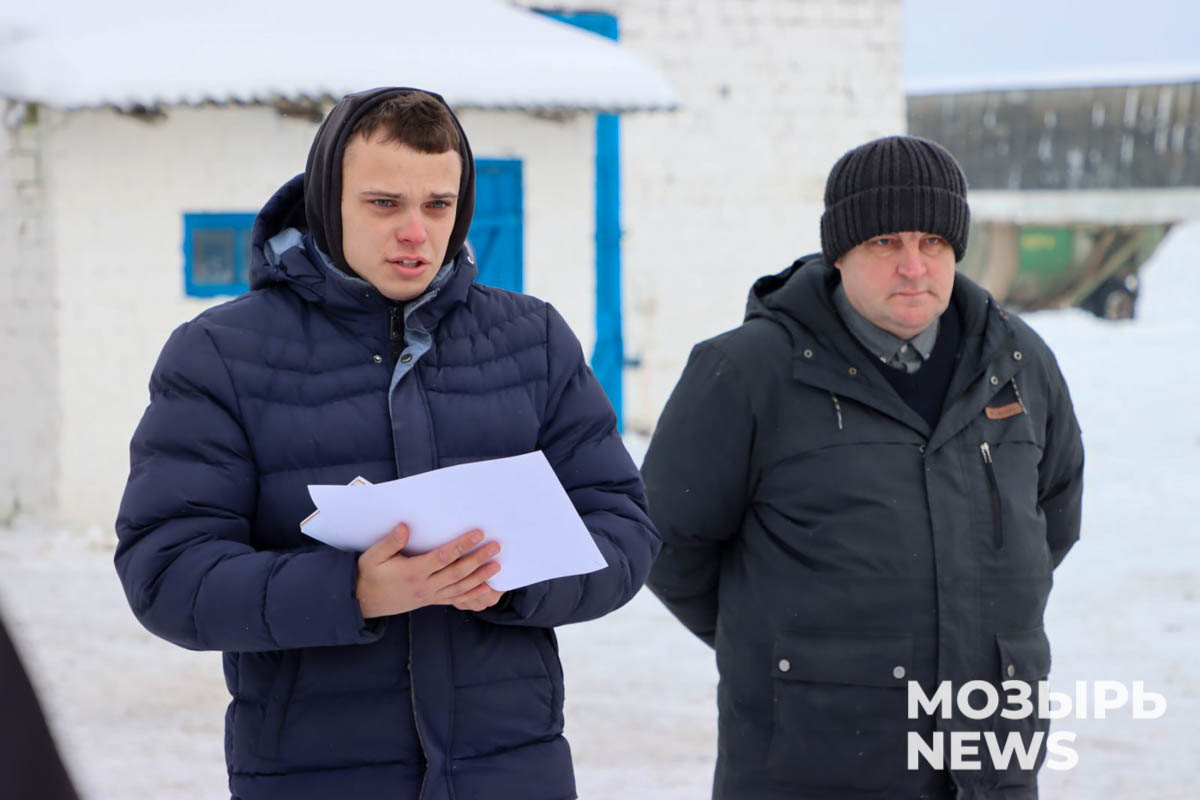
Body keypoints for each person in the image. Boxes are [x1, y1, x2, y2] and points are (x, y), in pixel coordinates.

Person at [114, 87, 659, 800]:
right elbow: (166, 571)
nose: (415, 232)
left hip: (511, 772)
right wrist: (353, 592)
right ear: (328, 204)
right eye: (384, 204)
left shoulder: (533, 341)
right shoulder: (219, 355)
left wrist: (515, 578)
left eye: (437, 205)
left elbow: (623, 530)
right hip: (315, 779)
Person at [642, 135, 1084, 799]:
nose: (913, 266)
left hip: (989, 769)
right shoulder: (748, 372)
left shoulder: (1018, 362)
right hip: (811, 768)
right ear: (840, 251)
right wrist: (791, 651)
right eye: (885, 242)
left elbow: (1054, 516)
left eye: (933, 242)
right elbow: (667, 540)